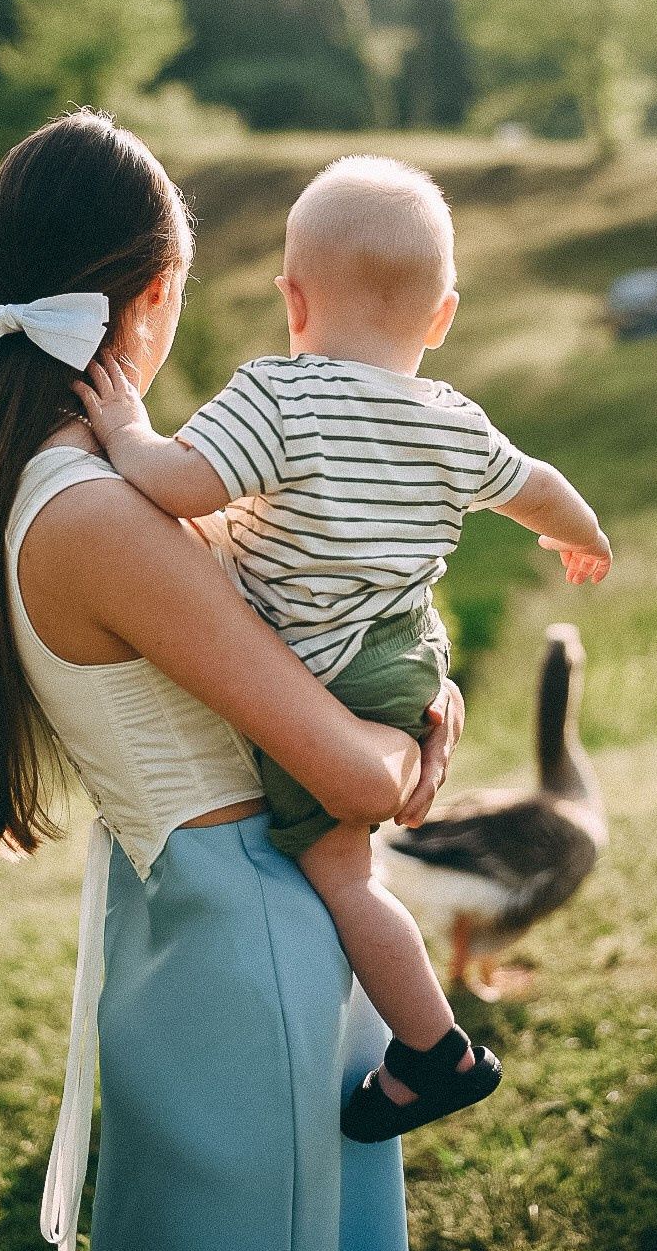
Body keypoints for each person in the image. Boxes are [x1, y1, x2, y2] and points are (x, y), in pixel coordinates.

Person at [0, 112, 467, 1251]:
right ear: (152, 294)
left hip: (185, 925)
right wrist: (417, 743)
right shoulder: (97, 514)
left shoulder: (46, 479)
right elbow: (355, 777)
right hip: (251, 935)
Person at [75, 154, 612, 1144]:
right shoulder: (454, 420)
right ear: (441, 318)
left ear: (293, 299)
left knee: (345, 876)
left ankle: (435, 1049)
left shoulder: (279, 396)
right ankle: (419, 1038)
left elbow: (180, 486)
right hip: (407, 659)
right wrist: (583, 537)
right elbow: (536, 482)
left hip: (329, 668)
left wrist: (125, 429)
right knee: (353, 865)